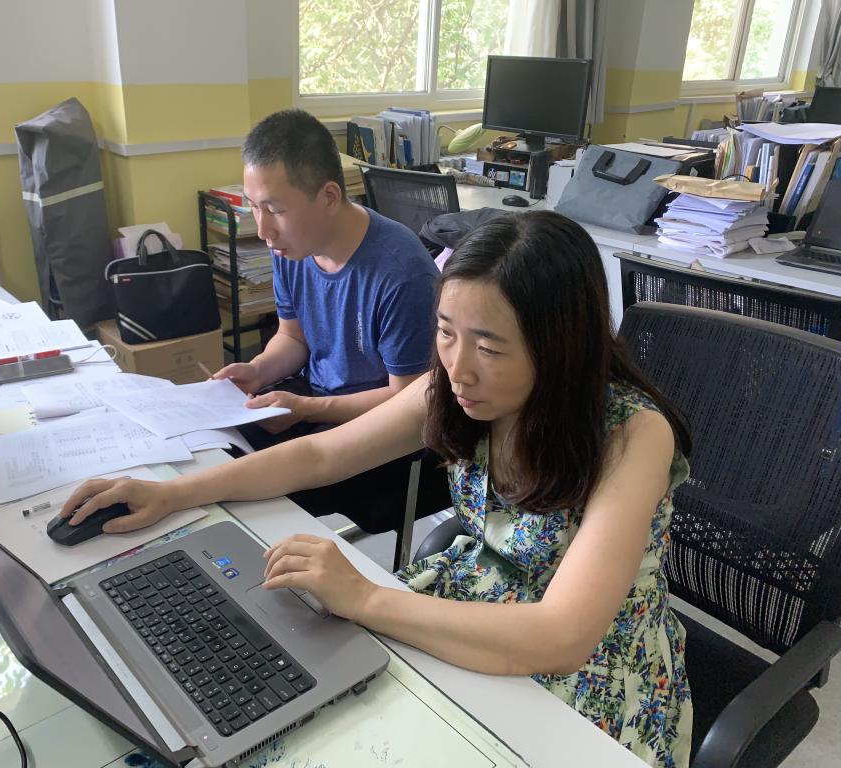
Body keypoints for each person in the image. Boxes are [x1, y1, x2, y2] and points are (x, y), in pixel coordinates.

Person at [61, 211, 694, 767]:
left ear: (560, 346)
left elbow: (562, 637)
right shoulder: (456, 385)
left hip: (587, 671)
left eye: (490, 347)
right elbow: (321, 454)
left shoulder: (634, 435)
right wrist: (175, 493)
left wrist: (363, 595)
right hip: (473, 604)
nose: (458, 367)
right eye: (446, 331)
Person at [213, 108, 445, 532]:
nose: (263, 230)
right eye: (254, 207)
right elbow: (293, 337)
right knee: (216, 454)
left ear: (330, 197)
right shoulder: (290, 247)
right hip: (317, 404)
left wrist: (306, 409)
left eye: (274, 209)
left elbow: (408, 403)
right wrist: (257, 370)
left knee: (253, 499)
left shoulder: (402, 274)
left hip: (384, 436)